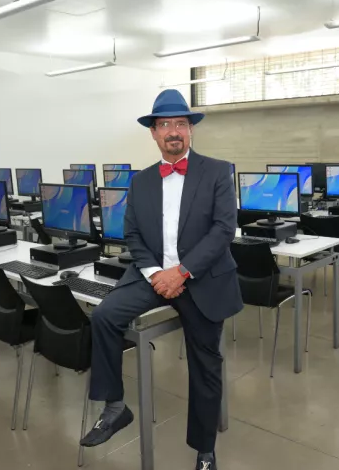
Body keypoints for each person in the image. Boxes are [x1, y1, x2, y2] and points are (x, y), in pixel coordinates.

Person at [80, 89, 242, 470]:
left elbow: (223, 231)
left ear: (191, 131)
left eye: (181, 124)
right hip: (153, 276)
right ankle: (115, 406)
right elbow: (133, 236)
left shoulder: (218, 171)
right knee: (104, 317)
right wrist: (157, 275)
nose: (174, 131)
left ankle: (204, 450)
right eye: (165, 124)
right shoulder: (141, 182)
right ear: (153, 133)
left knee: (205, 364)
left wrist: (182, 273)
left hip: (201, 278)